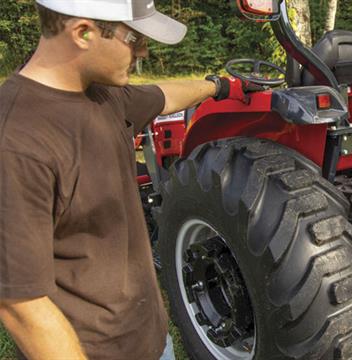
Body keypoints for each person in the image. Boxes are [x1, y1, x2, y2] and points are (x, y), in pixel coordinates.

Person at [0, 0, 260, 359]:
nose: (144, 50)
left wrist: (217, 86)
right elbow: (21, 303)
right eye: (134, 37)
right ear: (83, 32)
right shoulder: (17, 142)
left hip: (149, 339)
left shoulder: (103, 94)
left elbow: (161, 96)